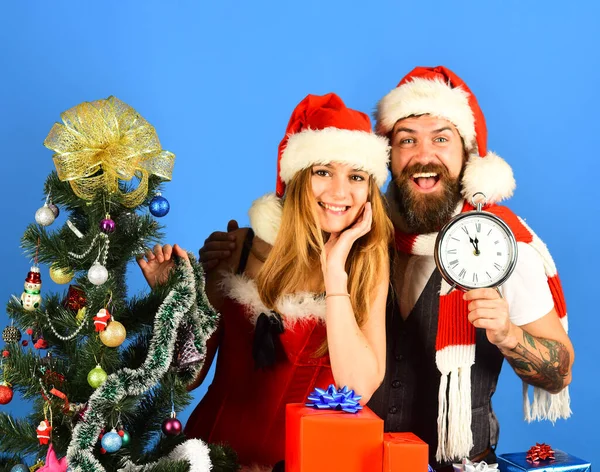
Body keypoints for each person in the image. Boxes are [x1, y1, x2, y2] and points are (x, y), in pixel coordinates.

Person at [199, 67, 574, 471]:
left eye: (441, 139)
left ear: (467, 154)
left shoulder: (499, 246)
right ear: (389, 156)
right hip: (355, 460)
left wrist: (509, 335)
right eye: (407, 140)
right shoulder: (359, 238)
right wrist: (221, 265)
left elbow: (560, 372)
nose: (423, 155)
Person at [138, 93, 393, 471]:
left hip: (312, 461)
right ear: (298, 177)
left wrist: (335, 269)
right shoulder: (238, 248)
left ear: (369, 189)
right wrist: (173, 297)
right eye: (323, 172)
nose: (340, 192)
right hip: (214, 454)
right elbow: (186, 378)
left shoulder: (368, 264)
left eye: (356, 176)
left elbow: (357, 387)